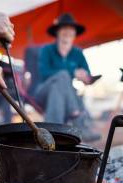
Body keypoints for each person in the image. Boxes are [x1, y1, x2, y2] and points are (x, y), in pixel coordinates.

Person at [36, 13, 101, 142]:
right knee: (62, 76)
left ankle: (53, 132)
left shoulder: (78, 53)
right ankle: (78, 119)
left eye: (71, 28)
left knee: (59, 88)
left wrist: (86, 78)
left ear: (75, 32)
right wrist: (72, 72)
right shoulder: (46, 50)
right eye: (64, 28)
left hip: (62, 95)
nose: (68, 31)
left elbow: (86, 73)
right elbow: (44, 73)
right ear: (57, 32)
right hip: (43, 91)